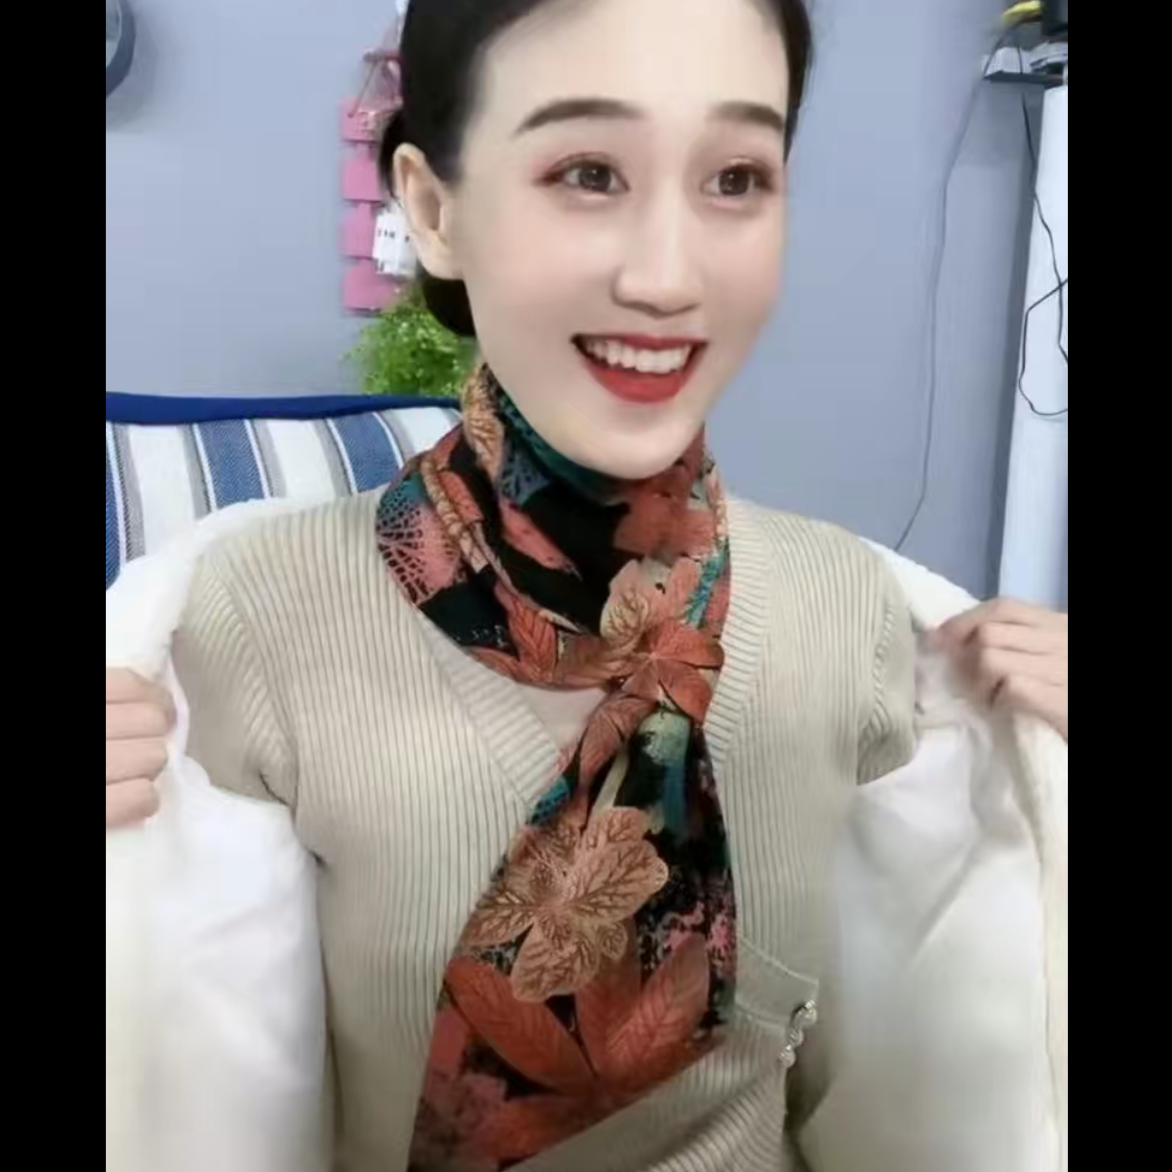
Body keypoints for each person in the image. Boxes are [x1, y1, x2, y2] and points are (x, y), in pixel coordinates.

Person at [104, 1, 1069, 1168]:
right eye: (586, 172)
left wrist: (1046, 777)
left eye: (734, 179)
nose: (666, 276)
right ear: (432, 208)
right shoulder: (249, 623)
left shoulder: (850, 612)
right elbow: (182, 1081)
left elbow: (922, 1080)